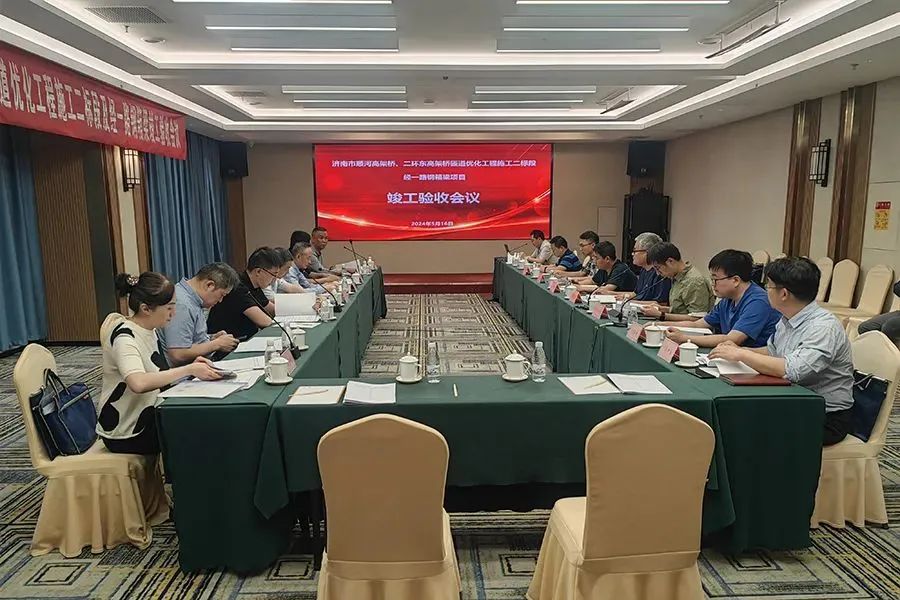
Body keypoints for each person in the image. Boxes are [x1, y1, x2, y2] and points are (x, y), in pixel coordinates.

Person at [710, 257, 855, 446]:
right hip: (792, 401)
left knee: (744, 432)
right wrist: (739, 349)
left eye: (769, 286)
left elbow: (792, 370)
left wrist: (742, 355)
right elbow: (773, 351)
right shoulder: (788, 318)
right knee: (731, 420)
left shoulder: (823, 328)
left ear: (784, 294)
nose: (765, 291)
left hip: (824, 416)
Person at [97, 272, 222, 455]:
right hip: (129, 429)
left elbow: (157, 374)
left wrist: (192, 368)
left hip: (152, 412)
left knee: (208, 420)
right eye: (169, 307)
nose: (174, 313)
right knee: (202, 431)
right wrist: (188, 369)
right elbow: (138, 383)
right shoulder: (125, 337)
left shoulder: (149, 330)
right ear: (146, 309)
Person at [663, 249, 781, 348]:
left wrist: (685, 338)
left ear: (735, 280)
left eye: (715, 279)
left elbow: (732, 339)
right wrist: (659, 325)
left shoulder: (758, 301)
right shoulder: (727, 299)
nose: (713, 284)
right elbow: (698, 324)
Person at [158, 262, 241, 367]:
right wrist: (217, 344)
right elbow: (178, 353)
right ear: (209, 285)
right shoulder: (182, 305)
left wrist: (211, 338)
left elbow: (189, 339)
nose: (220, 300)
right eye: (222, 295)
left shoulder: (192, 299)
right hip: (186, 373)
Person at [206, 247, 279, 339]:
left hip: (244, 338)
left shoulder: (254, 286)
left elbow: (272, 309)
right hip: (229, 341)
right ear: (258, 271)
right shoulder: (238, 287)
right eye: (273, 274)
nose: (275, 279)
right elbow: (265, 322)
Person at [641, 242, 715, 318]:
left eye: (658, 268)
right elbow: (680, 310)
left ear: (670, 261)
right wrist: (661, 309)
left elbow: (697, 318)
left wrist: (661, 315)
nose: (657, 273)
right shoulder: (677, 277)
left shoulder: (694, 281)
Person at [615, 232, 671, 305]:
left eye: (635, 251)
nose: (632, 254)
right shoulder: (644, 270)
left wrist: (629, 302)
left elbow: (661, 303)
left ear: (648, 252)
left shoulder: (660, 272)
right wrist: (624, 297)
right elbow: (636, 293)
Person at [261, 248, 296, 314]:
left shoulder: (277, 279)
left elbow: (292, 288)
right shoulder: (264, 283)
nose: (288, 272)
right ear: (278, 267)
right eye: (287, 268)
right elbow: (277, 302)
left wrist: (310, 298)